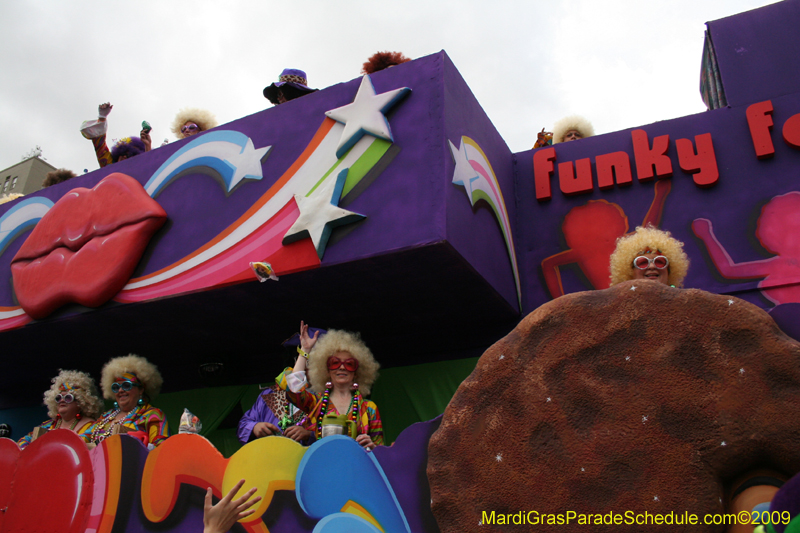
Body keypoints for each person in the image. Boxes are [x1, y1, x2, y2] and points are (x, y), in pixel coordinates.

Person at [276, 322, 383, 450]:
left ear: (357, 372)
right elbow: (294, 388)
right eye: (335, 363)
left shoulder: (369, 409)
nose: (342, 367)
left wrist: (373, 447)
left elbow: (381, 453)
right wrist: (305, 351)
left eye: (349, 364)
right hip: (321, 467)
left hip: (355, 468)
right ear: (326, 370)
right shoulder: (316, 403)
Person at [84, 354, 169, 448]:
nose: (120, 390)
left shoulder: (152, 415)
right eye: (116, 387)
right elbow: (82, 439)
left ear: (141, 389)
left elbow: (161, 448)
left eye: (126, 385)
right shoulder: (106, 416)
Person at [17, 369, 104, 449]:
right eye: (58, 397)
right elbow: (23, 441)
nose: (62, 400)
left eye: (68, 397)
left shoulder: (94, 427)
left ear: (81, 401)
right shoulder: (47, 425)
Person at [609, 225, 690, 287]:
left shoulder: (683, 305)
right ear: (630, 273)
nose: (652, 266)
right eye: (642, 262)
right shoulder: (621, 307)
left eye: (659, 262)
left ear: (669, 271)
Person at [80, 103, 150, 168]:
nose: (124, 156)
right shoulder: (110, 166)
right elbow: (100, 145)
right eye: (123, 153)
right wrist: (102, 117)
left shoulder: (140, 173)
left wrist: (147, 146)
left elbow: (148, 166)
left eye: (130, 155)